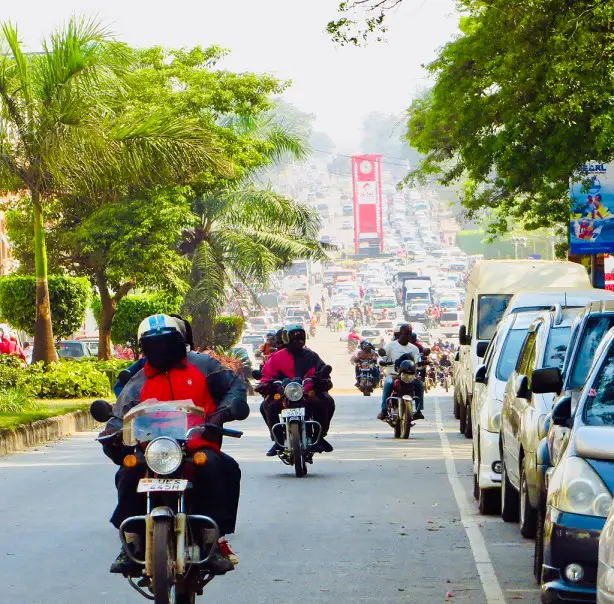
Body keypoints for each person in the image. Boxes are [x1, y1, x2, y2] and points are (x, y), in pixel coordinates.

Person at [100, 314, 249, 575]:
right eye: (153, 343)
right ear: (143, 347)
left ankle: (212, 539)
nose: (161, 349)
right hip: (153, 451)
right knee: (128, 470)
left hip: (197, 447)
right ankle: (131, 542)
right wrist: (111, 432)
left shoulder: (204, 366)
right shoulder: (136, 380)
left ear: (180, 341)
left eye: (167, 341)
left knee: (223, 468)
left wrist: (221, 414)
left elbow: (235, 389)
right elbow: (118, 415)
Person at [257, 324, 335, 456]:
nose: (298, 340)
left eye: (301, 337)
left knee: (326, 402)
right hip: (283, 394)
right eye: (294, 337)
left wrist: (322, 380)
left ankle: (319, 437)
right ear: (286, 339)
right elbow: (266, 375)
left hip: (306, 393)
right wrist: (265, 385)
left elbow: (323, 372)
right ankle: (278, 440)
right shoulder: (276, 357)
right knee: (266, 406)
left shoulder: (311, 356)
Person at [378, 324, 424, 421]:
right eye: (405, 334)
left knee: (420, 384)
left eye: (409, 334)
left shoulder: (414, 348)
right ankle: (384, 410)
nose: (408, 336)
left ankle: (419, 410)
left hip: (410, 376)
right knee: (388, 383)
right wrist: (382, 362)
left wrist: (421, 363)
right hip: (393, 374)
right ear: (399, 335)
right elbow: (381, 357)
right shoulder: (390, 345)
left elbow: (418, 360)